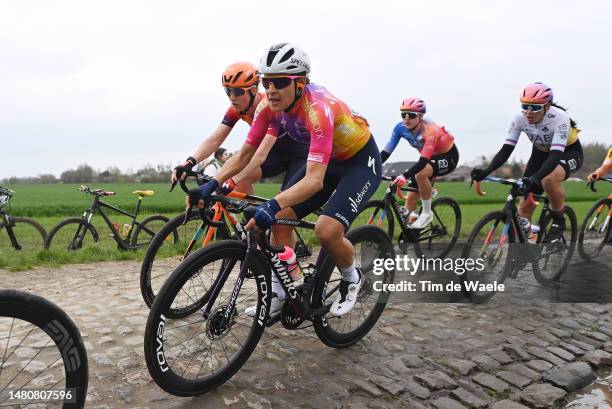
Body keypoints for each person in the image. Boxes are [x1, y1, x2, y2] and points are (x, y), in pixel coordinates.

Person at [188, 43, 382, 317]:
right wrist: (213, 184)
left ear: (301, 83)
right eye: (267, 82)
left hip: (359, 163)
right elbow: (245, 154)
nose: (272, 89)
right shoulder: (269, 107)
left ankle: (353, 278)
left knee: (326, 230)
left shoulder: (318, 110)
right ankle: (281, 293)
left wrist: (272, 204)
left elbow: (314, 181)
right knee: (279, 222)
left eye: (280, 82)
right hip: (328, 162)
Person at [172, 62, 308, 194]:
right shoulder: (235, 110)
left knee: (280, 209)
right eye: (228, 91)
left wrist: (232, 181)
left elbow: (260, 154)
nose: (232, 97)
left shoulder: (271, 106)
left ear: (253, 91)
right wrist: (189, 162)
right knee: (238, 174)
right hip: (274, 156)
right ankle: (250, 215)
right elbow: (215, 139)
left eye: (237, 92)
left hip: (299, 157)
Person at [471, 82, 583, 239]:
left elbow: (555, 156)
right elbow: (506, 150)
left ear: (547, 106)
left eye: (535, 107)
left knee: (548, 181)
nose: (528, 112)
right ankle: (524, 247)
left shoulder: (560, 118)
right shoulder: (519, 119)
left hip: (567, 152)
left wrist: (536, 178)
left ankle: (559, 219)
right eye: (525, 106)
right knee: (524, 202)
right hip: (540, 153)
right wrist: (486, 171)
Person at [381, 98, 459, 228]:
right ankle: (411, 233)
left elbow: (422, 162)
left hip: (448, 156)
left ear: (421, 116)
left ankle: (427, 213)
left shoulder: (430, 131)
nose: (406, 119)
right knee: (410, 200)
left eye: (411, 115)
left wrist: (404, 176)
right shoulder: (400, 128)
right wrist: (371, 166)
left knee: (420, 173)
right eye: (403, 115)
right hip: (428, 159)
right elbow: (385, 153)